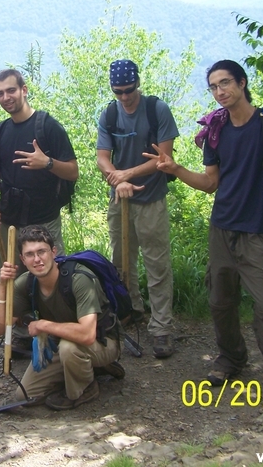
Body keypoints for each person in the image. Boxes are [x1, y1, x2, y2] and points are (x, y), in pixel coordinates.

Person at [145, 60, 263, 419]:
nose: (220, 91)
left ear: (242, 83)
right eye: (214, 86)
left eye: (226, 83)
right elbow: (210, 183)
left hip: (257, 231)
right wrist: (175, 169)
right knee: (220, 300)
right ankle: (231, 358)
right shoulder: (216, 129)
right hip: (222, 228)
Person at [96, 59, 179, 359]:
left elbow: (164, 159)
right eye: (118, 91)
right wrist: (116, 179)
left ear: (137, 84)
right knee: (121, 261)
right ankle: (131, 310)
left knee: (157, 264)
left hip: (151, 198)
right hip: (120, 198)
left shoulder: (157, 110)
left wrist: (125, 175)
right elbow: (102, 157)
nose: (124, 97)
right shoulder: (109, 113)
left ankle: (161, 329)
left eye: (129, 90)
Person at [0, 225, 122, 410]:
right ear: (22, 259)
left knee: (69, 348)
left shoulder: (79, 279)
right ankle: (84, 369)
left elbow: (87, 335)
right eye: (29, 254)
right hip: (61, 344)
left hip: (103, 341)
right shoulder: (27, 283)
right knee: (25, 395)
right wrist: (3, 285)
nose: (37, 259)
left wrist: (43, 325)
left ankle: (85, 389)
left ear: (53, 252)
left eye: (41, 252)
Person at [0, 68, 78, 262]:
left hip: (45, 221)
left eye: (11, 90)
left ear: (24, 90)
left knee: (51, 280)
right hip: (8, 223)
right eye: (0, 93)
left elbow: (72, 172)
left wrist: (47, 163)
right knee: (10, 280)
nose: (6, 97)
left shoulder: (47, 126)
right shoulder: (0, 131)